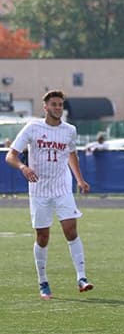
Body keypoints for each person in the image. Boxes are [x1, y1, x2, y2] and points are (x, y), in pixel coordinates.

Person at [5, 90, 94, 299]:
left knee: (70, 229)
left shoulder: (69, 130)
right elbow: (11, 155)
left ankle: (82, 277)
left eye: (60, 105)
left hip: (62, 186)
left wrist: (80, 179)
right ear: (45, 107)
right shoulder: (33, 127)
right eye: (53, 104)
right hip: (39, 189)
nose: (57, 108)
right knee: (43, 236)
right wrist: (23, 167)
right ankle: (43, 281)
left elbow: (71, 154)